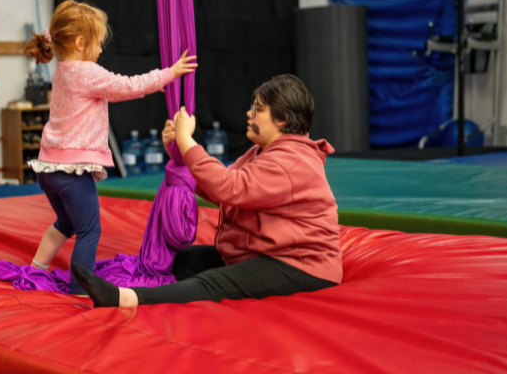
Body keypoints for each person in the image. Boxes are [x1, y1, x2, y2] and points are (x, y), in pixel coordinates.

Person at [72, 74, 342, 307]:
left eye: (258, 110)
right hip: (267, 251)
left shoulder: (291, 159)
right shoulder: (264, 152)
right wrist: (179, 153)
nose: (249, 114)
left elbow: (229, 187)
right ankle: (152, 288)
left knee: (211, 283)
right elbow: (219, 186)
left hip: (300, 264)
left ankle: (125, 298)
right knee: (184, 261)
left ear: (282, 120)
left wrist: (187, 141)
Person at [24, 0, 197, 295]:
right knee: (90, 231)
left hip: (47, 169)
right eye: (97, 43)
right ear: (80, 42)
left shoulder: (63, 71)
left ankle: (35, 269)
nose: (101, 50)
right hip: (71, 171)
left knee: (65, 224)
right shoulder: (87, 72)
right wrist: (169, 73)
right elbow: (128, 86)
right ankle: (80, 288)